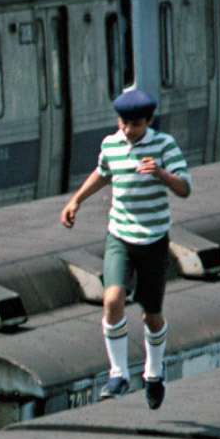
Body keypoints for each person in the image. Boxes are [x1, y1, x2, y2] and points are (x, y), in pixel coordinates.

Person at [58, 86, 192, 407]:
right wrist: (75, 200)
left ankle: (154, 372)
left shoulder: (164, 145)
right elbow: (103, 173)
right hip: (119, 236)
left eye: (135, 124)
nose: (128, 130)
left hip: (153, 241)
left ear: (149, 121)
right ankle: (118, 374)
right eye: (123, 123)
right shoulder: (111, 144)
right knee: (112, 298)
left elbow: (184, 188)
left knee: (151, 316)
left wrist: (160, 173)